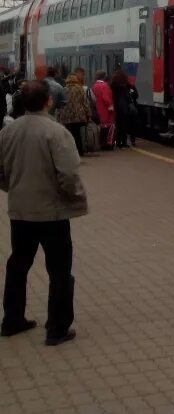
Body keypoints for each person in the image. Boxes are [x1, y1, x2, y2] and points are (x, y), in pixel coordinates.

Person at [0, 80, 88, 345]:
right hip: (52, 214)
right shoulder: (57, 133)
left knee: (18, 264)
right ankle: (57, 328)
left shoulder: (7, 132)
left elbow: (1, 172)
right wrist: (75, 197)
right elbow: (69, 176)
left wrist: (14, 189)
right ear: (48, 101)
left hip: (20, 212)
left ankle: (12, 320)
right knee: (60, 270)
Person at [59, 74, 91, 157]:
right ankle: (80, 151)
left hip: (67, 115)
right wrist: (88, 113)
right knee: (78, 133)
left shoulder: (64, 89)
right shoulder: (80, 89)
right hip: (78, 115)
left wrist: (60, 115)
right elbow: (85, 102)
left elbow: (61, 103)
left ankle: (70, 152)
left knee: (69, 133)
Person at [109, 70, 133, 149]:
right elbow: (128, 97)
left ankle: (118, 142)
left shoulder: (112, 86)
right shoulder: (125, 87)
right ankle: (124, 143)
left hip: (116, 108)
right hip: (124, 109)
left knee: (118, 126)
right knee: (124, 127)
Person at [91, 71, 114, 148]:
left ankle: (100, 143)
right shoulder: (105, 86)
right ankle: (106, 144)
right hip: (105, 110)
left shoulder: (94, 86)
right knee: (107, 128)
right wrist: (110, 105)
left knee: (100, 127)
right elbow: (106, 98)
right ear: (104, 77)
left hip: (97, 110)